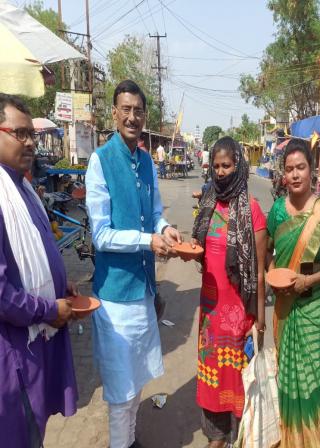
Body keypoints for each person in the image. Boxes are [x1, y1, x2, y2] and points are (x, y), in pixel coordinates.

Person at [85, 80, 182, 448]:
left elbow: (154, 213)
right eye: (125, 109)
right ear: (114, 113)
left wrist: (166, 228)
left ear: (145, 116)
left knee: (137, 381)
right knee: (119, 391)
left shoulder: (146, 161)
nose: (132, 117)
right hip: (114, 296)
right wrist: (147, 240)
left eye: (138, 111)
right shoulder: (100, 161)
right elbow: (101, 235)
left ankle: (129, 440)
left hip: (143, 293)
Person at [0, 94, 78, 448]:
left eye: (31, 133)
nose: (30, 142)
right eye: (19, 133)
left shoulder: (23, 188)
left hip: (35, 343)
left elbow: (32, 262)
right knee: (23, 434)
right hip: (14, 354)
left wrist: (61, 285)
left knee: (36, 430)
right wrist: (48, 309)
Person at [266, 138, 320, 447]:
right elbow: (270, 250)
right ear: (283, 175)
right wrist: (272, 273)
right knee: (287, 378)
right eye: (289, 169)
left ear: (312, 171)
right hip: (285, 306)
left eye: (301, 167)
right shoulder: (277, 211)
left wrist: (308, 280)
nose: (295, 174)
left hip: (316, 311)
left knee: (311, 382)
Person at [190, 137, 267, 447]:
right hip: (210, 312)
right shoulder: (208, 203)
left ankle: (239, 436)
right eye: (216, 166)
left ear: (238, 166)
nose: (221, 172)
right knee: (212, 375)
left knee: (237, 380)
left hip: (238, 314)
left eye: (227, 165)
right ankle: (216, 435)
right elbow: (200, 249)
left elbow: (259, 273)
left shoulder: (252, 210)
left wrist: (259, 321)